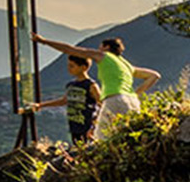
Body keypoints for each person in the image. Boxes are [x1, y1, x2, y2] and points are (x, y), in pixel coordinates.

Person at [31, 35, 160, 138]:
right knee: (126, 138)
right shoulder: (126, 65)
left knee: (100, 140)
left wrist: (44, 41)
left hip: (115, 99)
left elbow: (70, 49)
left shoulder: (103, 56)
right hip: (133, 103)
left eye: (100, 47)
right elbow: (154, 76)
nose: (98, 50)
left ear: (106, 47)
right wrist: (135, 93)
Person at [20, 55, 102, 143]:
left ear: (83, 67)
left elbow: (101, 105)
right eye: (68, 65)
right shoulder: (71, 85)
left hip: (87, 125)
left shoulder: (91, 85)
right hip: (74, 125)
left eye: (72, 66)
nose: (69, 68)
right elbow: (64, 101)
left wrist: (94, 127)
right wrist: (41, 105)